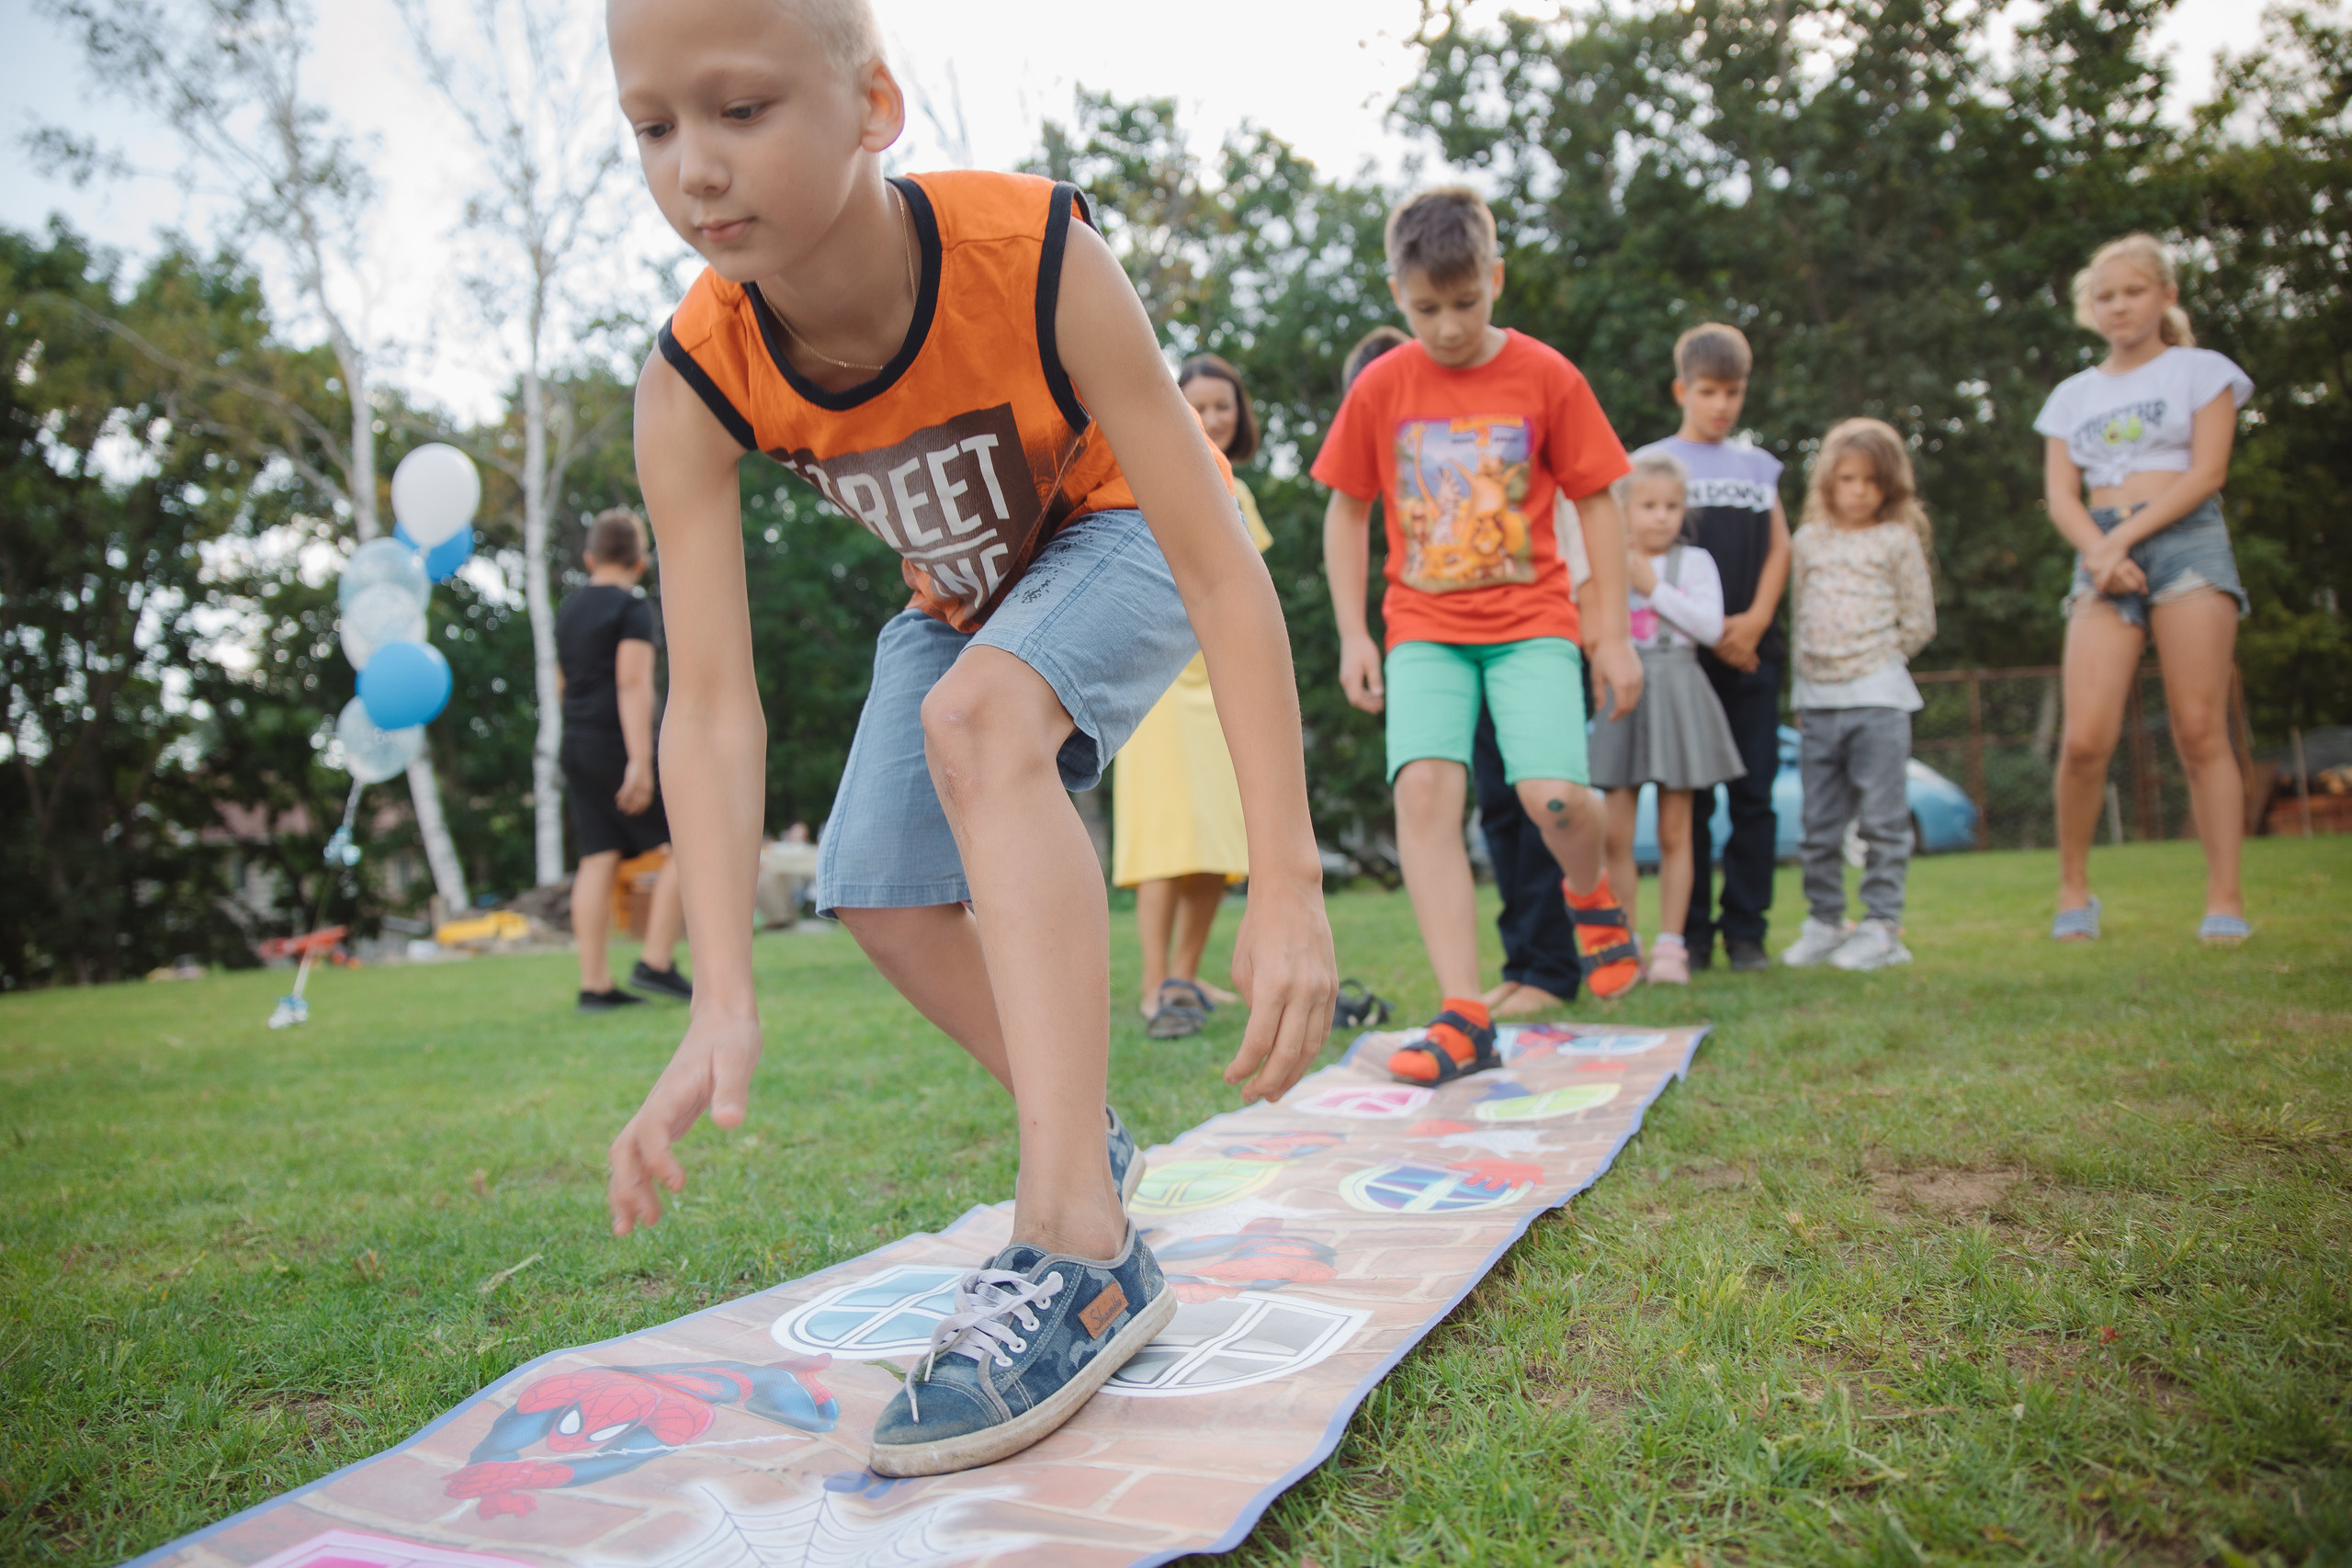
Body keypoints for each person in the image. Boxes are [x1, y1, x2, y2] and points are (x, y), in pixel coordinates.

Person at [602, 0, 1336, 1478]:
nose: (696, 167)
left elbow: (1220, 565)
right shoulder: (693, 376)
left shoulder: (1036, 254)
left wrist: (1291, 877)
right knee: (877, 881)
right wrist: (721, 993)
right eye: (655, 127)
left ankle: (1080, 1241)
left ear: (873, 107)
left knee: (980, 718)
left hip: (1128, 530)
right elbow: (712, 702)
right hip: (965, 594)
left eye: (740, 110)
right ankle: (1085, 1134)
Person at [1315, 185, 1645, 1089]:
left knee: (1555, 798)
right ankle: (1463, 1013)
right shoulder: (1383, 386)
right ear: (1398, 294)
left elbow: (1598, 501)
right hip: (1424, 626)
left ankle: (1590, 896)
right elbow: (1346, 511)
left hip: (1532, 622)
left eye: (1466, 302)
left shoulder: (1546, 376)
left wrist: (1612, 635)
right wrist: (1353, 635)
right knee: (1424, 790)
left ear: (1496, 279)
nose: (1450, 326)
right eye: (1427, 309)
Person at [2036, 234, 2255, 944]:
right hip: (2099, 551)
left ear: (2166, 295)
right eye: (2106, 296)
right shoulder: (2072, 396)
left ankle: (2225, 898)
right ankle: (2074, 890)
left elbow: (2208, 473)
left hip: (2186, 540)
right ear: (2089, 308)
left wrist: (2123, 540)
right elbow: (2060, 494)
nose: (2120, 306)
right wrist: (2101, 551)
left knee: (2198, 729)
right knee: (2084, 739)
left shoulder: (2203, 372)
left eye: (2133, 291)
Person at [1112, 353, 1274, 1039]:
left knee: (1215, 835)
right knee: (1164, 836)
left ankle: (1185, 973)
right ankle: (1155, 983)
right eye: (1198, 405)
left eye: (1222, 406)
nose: (1211, 417)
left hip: (1219, 682)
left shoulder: (1241, 493)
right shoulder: (1145, 474)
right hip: (1159, 678)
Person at [1634, 324, 1789, 973]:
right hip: (1683, 663)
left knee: (1754, 794)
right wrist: (1711, 635)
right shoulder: (1650, 464)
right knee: (1687, 800)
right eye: (1708, 391)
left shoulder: (1759, 468)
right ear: (1682, 391)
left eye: (1734, 392)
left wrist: (1752, 624)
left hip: (1751, 654)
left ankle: (1747, 932)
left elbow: (1779, 548)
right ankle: (1690, 936)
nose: (1722, 404)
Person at [1777, 420, 1938, 972]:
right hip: (1819, 702)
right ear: (1829, 482)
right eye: (1847, 479)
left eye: (1871, 480)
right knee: (1819, 824)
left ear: (1889, 485)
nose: (1859, 491)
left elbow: (1918, 621)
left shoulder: (1896, 540)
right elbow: (1800, 618)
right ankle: (1824, 922)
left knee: (1882, 822)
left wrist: (1876, 658)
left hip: (1878, 699)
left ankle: (1881, 927)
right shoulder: (1808, 541)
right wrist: (1804, 691)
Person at [1591, 452, 1746, 986]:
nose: (1661, 516)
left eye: (1672, 506)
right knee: (1616, 833)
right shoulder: (1606, 558)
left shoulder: (1695, 563)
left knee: (1676, 829)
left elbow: (1710, 626)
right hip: (1624, 693)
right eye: (1649, 505)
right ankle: (1624, 941)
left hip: (1679, 690)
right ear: (1624, 510)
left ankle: (1672, 946)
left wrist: (1652, 588)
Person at [556, 508, 691, 1011]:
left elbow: (562, 684)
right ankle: (655, 961)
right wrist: (639, 759)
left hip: (577, 742)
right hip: (618, 744)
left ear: (590, 558)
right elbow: (632, 682)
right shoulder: (632, 609)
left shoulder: (568, 611)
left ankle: (594, 985)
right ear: (640, 562)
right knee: (686, 845)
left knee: (597, 858)